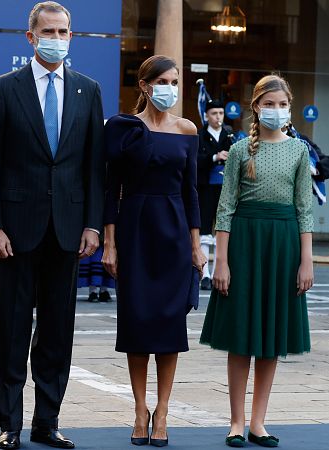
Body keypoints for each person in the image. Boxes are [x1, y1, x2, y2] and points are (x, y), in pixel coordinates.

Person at [0, 2, 104, 448]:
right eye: (48, 30)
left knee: (57, 330)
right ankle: (9, 423)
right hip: (15, 229)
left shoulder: (89, 90)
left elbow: (93, 166)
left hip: (69, 229)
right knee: (11, 329)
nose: (57, 37)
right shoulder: (3, 89)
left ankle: (46, 422)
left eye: (64, 31)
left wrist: (94, 224)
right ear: (30, 37)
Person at [199, 75, 314, 448]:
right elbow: (226, 208)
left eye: (282, 105)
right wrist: (221, 261)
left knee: (271, 336)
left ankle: (258, 422)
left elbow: (304, 209)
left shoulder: (298, 150)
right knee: (241, 336)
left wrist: (306, 261)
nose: (276, 111)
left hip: (283, 245)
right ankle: (236, 421)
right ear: (256, 107)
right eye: (270, 104)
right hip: (245, 243)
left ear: (290, 108)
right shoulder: (238, 151)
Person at [101, 55, 206, 447]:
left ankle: (163, 410)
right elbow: (111, 188)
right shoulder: (123, 128)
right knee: (136, 323)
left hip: (175, 231)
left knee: (168, 325)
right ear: (144, 86)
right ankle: (139, 408)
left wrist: (196, 246)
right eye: (162, 80)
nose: (170, 88)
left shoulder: (188, 129)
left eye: (175, 81)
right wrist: (110, 243)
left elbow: (191, 191)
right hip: (134, 228)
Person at [196, 99, 232, 291]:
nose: (218, 117)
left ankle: (220, 269)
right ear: (207, 115)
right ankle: (205, 274)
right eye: (214, 113)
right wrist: (214, 157)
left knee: (222, 229)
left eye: (220, 113)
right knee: (204, 230)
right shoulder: (200, 135)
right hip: (205, 188)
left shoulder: (229, 135)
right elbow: (194, 160)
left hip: (225, 188)